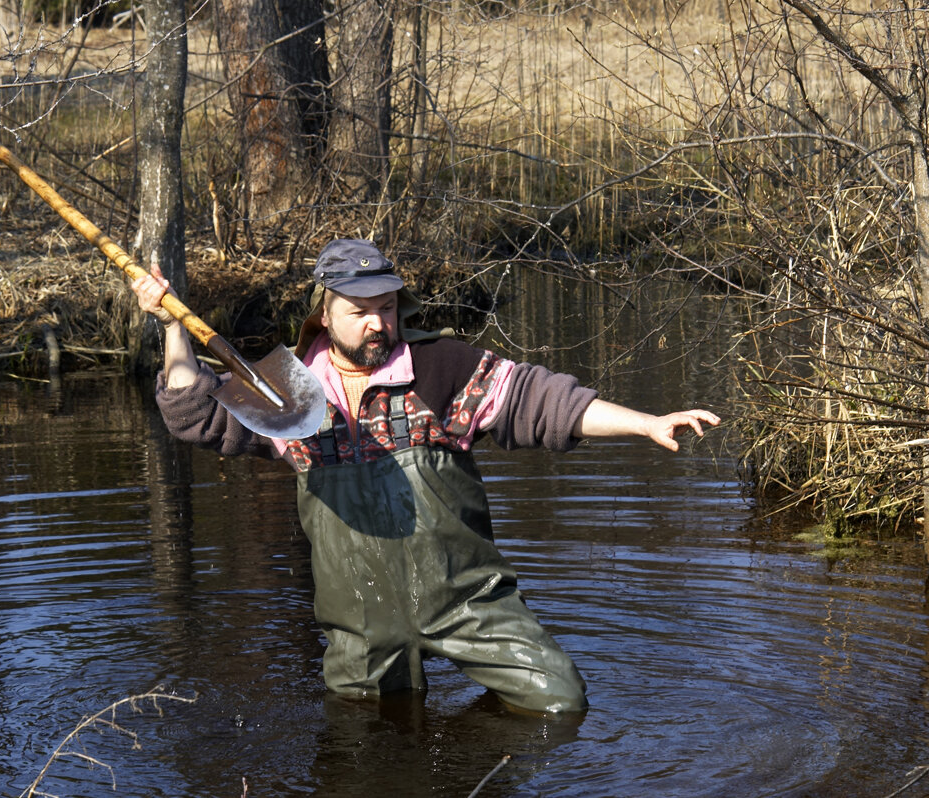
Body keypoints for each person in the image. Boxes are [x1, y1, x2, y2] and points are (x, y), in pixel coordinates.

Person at [131, 238, 720, 715]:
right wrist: (172, 326)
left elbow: (542, 402)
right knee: (368, 744)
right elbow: (193, 412)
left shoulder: (442, 368)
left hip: (466, 601)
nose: (376, 324)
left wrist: (645, 422)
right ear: (324, 314)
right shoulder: (289, 394)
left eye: (386, 308)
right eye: (359, 312)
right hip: (359, 621)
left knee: (560, 703)